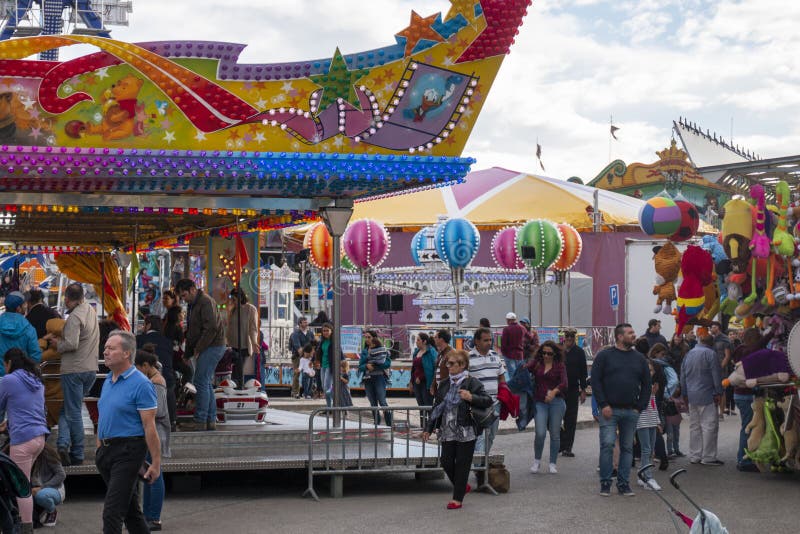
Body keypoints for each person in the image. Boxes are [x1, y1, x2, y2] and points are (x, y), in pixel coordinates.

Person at [95, 329, 160, 534]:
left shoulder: (141, 384)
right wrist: (99, 447)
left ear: (126, 353)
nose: (105, 352)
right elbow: (104, 415)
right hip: (107, 452)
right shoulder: (107, 380)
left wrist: (156, 463)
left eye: (111, 348)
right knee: (131, 512)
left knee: (112, 512)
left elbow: (150, 426)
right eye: (105, 348)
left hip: (128, 451)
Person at [422, 349, 492, 510]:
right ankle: (462, 486)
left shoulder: (472, 383)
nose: (449, 366)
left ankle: (457, 498)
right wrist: (429, 428)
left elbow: (487, 401)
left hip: (466, 430)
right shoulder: (445, 384)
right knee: (446, 461)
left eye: (453, 363)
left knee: (462, 463)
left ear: (463, 365)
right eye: (448, 363)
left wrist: (471, 397)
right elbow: (436, 408)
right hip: (447, 430)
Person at [592, 323, 651, 497]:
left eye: (633, 332)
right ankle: (605, 482)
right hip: (609, 410)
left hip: (631, 411)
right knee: (608, 444)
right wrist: (603, 404)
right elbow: (595, 381)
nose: (634, 335)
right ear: (619, 336)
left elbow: (647, 384)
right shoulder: (604, 356)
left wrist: (640, 407)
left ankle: (624, 484)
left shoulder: (639, 358)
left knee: (627, 448)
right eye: (630, 333)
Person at [45, 283, 98, 466]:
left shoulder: (75, 317)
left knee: (73, 411)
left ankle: (77, 453)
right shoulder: (90, 311)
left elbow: (72, 344)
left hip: (74, 369)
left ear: (67, 298)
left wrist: (55, 344)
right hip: (90, 368)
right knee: (68, 409)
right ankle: (62, 444)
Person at [0, 348, 49, 533]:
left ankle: (26, 527)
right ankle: (21, 522)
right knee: (22, 482)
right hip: (39, 438)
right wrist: (9, 422)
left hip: (22, 440)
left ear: (9, 363)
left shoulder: (9, 380)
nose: (4, 369)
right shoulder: (36, 380)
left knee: (21, 487)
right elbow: (27, 408)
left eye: (4, 365)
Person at [175, 278, 226, 431]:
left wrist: (198, 348)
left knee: (201, 382)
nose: (183, 299)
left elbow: (211, 328)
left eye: (184, 295)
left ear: (192, 289)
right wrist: (189, 352)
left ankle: (200, 420)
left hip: (212, 346)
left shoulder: (205, 302)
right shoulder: (194, 304)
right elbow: (192, 331)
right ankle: (209, 420)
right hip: (207, 346)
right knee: (205, 383)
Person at [134, 348, 171, 532]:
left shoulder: (156, 383)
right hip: (152, 433)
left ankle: (154, 517)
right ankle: (149, 515)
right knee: (149, 475)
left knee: (155, 475)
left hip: (155, 434)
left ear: (146, 366)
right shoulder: (153, 380)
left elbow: (160, 411)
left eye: (138, 367)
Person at [729, 327, 771, 472]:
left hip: (739, 394)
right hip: (746, 394)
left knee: (748, 425)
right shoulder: (747, 351)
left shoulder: (739, 349)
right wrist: (773, 330)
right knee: (748, 427)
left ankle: (747, 457)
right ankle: (743, 460)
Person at [467, 327, 505, 483]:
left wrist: (503, 396)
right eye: (485, 340)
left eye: (490, 340)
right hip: (478, 406)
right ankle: (479, 470)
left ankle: (480, 467)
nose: (489, 343)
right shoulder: (468, 358)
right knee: (481, 438)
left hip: (495, 404)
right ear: (477, 341)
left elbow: (501, 378)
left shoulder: (495, 357)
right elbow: (464, 381)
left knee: (491, 436)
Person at [680, 334, 723, 466]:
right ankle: (708, 457)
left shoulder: (688, 354)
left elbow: (682, 375)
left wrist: (684, 393)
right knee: (709, 426)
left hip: (691, 395)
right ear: (712, 343)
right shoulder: (711, 354)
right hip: (707, 394)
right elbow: (716, 374)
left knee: (695, 426)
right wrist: (718, 392)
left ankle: (695, 455)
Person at [526, 341, 568, 474]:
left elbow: (564, 383)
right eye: (543, 353)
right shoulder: (537, 363)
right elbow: (524, 369)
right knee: (540, 432)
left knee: (555, 434)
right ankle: (537, 461)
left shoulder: (559, 366)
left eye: (549, 353)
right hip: (540, 401)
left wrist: (554, 392)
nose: (546, 355)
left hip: (557, 402)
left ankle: (552, 463)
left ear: (554, 354)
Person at [137, 316, 177, 429]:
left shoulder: (139, 339)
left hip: (146, 378)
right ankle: (172, 421)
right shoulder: (168, 342)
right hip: (167, 377)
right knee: (169, 391)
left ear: (148, 325)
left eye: (144, 324)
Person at [636, 360, 665, 491]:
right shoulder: (639, 385)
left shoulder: (651, 386)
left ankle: (642, 474)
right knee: (646, 449)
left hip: (652, 421)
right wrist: (650, 393)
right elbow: (640, 403)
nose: (650, 373)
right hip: (642, 421)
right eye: (647, 370)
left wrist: (658, 421)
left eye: (652, 370)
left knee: (650, 449)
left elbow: (654, 407)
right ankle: (647, 477)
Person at [560, 329, 588, 457]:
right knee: (554, 419)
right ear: (564, 337)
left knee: (570, 419)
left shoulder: (579, 352)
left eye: (572, 336)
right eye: (567, 336)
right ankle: (561, 442)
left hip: (572, 389)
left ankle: (568, 447)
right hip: (558, 390)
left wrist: (583, 390)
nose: (569, 338)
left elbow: (583, 373)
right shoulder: (559, 350)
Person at [226, 288, 259, 389]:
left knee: (239, 368)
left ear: (240, 298)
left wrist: (254, 342)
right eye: (232, 299)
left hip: (243, 344)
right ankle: (235, 387)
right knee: (233, 369)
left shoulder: (250, 309)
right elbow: (229, 327)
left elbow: (253, 328)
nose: (233, 301)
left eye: (234, 299)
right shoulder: (233, 310)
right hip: (232, 344)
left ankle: (239, 387)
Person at [0, 291, 42, 372]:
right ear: (18, 308)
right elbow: (35, 356)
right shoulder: (29, 329)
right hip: (20, 378)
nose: (26, 306)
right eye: (24, 304)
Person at [359, 330, 392, 426]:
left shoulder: (382, 349)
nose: (367, 339)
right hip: (368, 379)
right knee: (373, 403)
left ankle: (389, 423)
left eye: (369, 337)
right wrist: (366, 366)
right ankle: (376, 423)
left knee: (382, 401)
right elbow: (360, 366)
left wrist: (375, 366)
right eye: (366, 337)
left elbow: (387, 363)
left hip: (379, 378)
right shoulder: (365, 351)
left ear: (374, 338)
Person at [30, 443, 66, 529]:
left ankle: (52, 511)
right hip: (36, 489)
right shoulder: (28, 455)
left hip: (54, 489)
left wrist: (42, 487)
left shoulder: (47, 454)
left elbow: (61, 475)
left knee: (41, 495)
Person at [709, 321, 733, 419]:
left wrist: (720, 368)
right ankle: (714, 411)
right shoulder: (711, 339)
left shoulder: (725, 339)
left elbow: (727, 356)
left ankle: (721, 413)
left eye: (713, 327)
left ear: (718, 328)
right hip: (711, 368)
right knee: (713, 390)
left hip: (721, 369)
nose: (711, 329)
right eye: (711, 327)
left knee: (722, 390)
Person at [410, 333, 437, 419]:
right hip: (416, 383)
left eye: (418, 340)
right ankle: (423, 426)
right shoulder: (416, 352)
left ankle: (430, 427)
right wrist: (411, 381)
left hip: (427, 383)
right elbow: (414, 368)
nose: (416, 342)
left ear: (424, 341)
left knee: (428, 405)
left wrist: (432, 383)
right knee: (420, 406)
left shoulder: (431, 352)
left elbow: (433, 369)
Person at [163, 306, 191, 386]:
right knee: (188, 371)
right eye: (182, 313)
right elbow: (174, 345)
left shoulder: (172, 326)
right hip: (173, 358)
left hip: (174, 357)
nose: (184, 314)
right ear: (177, 315)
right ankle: (184, 393)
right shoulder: (173, 328)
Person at [289, 317, 315, 399]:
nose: (306, 324)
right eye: (304, 322)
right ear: (300, 323)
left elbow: (313, 345)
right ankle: (295, 392)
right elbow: (299, 348)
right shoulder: (295, 334)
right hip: (297, 356)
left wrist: (311, 356)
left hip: (309, 357)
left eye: (306, 322)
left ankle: (308, 392)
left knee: (309, 374)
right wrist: (306, 355)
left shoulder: (310, 333)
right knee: (297, 374)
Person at [315, 323, 336, 407]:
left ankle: (335, 404)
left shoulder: (334, 342)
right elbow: (319, 353)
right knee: (324, 388)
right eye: (324, 331)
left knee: (327, 387)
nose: (325, 332)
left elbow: (340, 354)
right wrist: (316, 361)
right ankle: (329, 406)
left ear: (331, 331)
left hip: (330, 367)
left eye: (327, 330)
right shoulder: (322, 341)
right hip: (323, 366)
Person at [500, 312, 526, 379]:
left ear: (509, 320)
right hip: (520, 354)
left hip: (509, 355)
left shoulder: (506, 329)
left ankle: (513, 388)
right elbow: (529, 337)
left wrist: (504, 353)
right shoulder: (522, 328)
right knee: (520, 373)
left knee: (512, 375)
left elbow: (503, 344)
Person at [431, 329, 454, 394]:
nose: (434, 339)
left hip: (447, 391)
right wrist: (433, 385)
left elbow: (454, 373)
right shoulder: (441, 354)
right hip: (440, 390)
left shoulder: (451, 353)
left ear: (441, 339)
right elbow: (437, 371)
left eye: (436, 337)